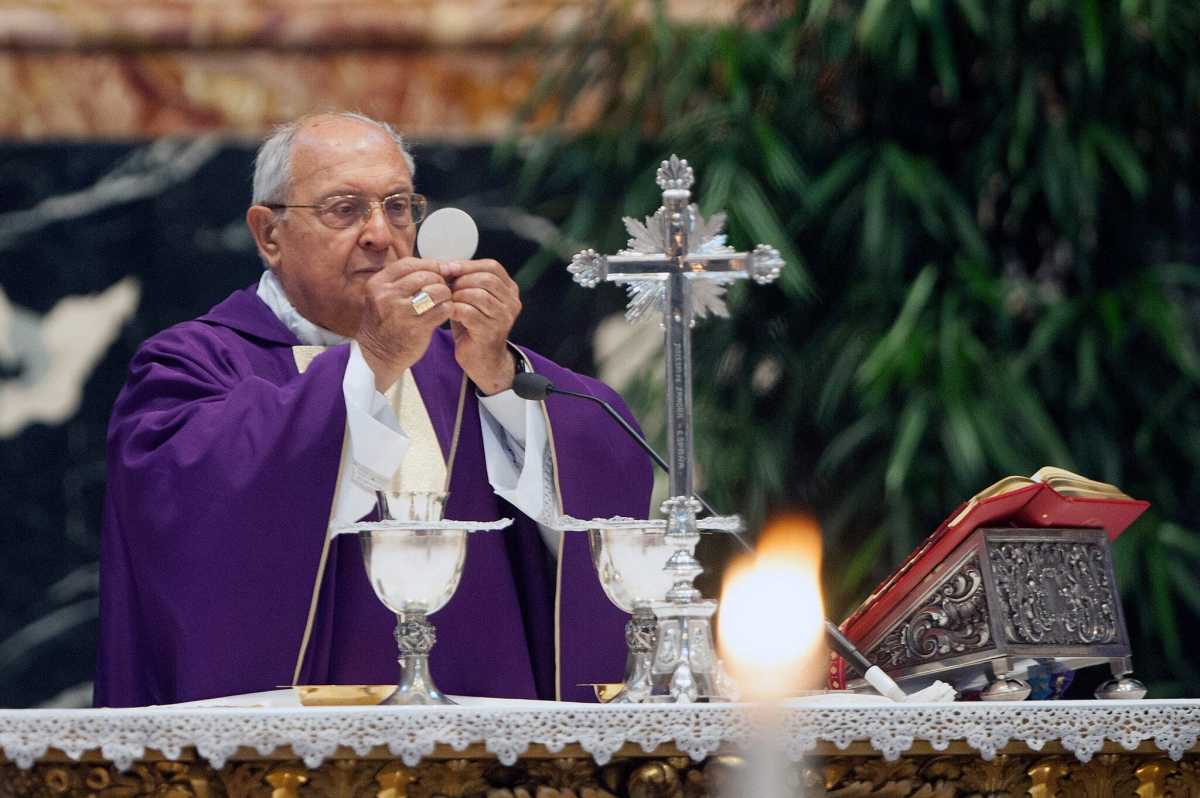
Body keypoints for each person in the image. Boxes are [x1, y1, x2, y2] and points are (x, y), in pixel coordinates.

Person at [95, 112, 653, 707]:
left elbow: (608, 469)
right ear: (269, 234)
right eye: (344, 209)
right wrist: (375, 359)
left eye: (397, 206)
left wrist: (504, 384)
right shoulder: (192, 366)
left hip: (485, 744)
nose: (380, 234)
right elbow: (193, 520)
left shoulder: (469, 360)